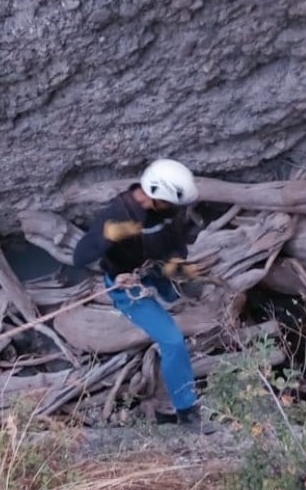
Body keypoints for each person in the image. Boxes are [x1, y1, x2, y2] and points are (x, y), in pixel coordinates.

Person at [72, 158, 215, 433]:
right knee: (173, 340)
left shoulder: (165, 212)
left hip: (155, 272)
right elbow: (81, 256)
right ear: (157, 197)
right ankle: (186, 413)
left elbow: (175, 243)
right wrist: (110, 237)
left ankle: (165, 400)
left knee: (185, 303)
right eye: (172, 204)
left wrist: (176, 267)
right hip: (128, 286)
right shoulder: (118, 214)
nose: (175, 210)